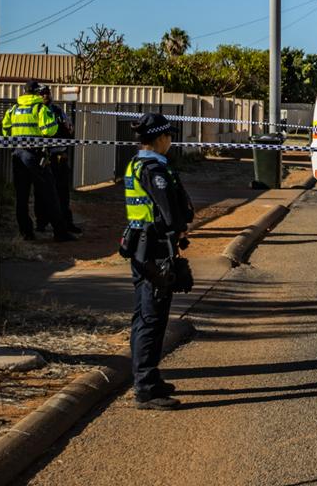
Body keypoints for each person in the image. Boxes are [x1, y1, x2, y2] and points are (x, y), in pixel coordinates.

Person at [121, 112, 194, 410]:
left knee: (145, 316)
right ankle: (146, 389)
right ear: (161, 138)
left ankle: (148, 377)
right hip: (154, 251)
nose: (171, 142)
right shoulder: (154, 169)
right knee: (151, 318)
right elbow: (169, 214)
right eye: (169, 137)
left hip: (143, 248)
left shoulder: (137, 163)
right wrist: (179, 227)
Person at [1, 81, 78, 243]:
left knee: (21, 197)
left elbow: (5, 130)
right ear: (36, 93)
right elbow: (49, 130)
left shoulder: (13, 109)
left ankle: (26, 233)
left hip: (17, 155)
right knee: (50, 194)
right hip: (35, 156)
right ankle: (60, 232)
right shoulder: (40, 109)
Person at [33, 86, 81, 237]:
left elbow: (70, 129)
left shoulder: (58, 111)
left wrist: (66, 134)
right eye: (42, 94)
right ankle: (41, 223)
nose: (45, 96)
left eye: (47, 93)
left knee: (62, 192)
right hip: (42, 157)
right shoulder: (36, 111)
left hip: (58, 156)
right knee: (41, 192)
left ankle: (67, 223)